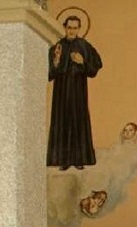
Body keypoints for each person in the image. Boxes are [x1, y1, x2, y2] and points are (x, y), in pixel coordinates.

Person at [47, 15, 102, 170]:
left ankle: (79, 159)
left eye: (75, 28)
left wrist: (82, 62)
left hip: (78, 92)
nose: (72, 31)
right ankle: (63, 160)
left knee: (78, 121)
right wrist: (57, 60)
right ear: (65, 28)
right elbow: (49, 73)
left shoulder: (84, 46)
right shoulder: (58, 46)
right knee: (62, 121)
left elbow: (96, 66)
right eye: (69, 28)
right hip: (61, 93)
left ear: (79, 29)